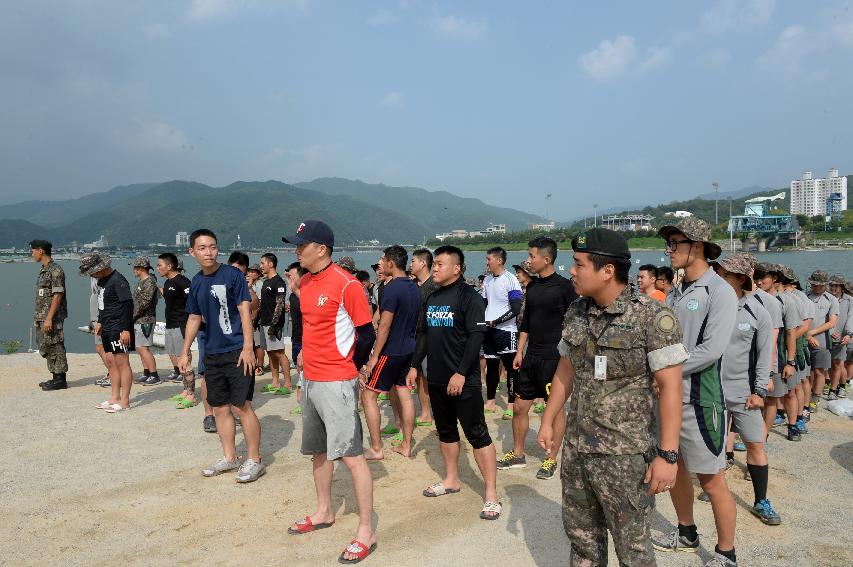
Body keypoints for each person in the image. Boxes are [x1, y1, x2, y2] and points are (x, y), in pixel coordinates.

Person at [538, 227, 687, 566]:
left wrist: (668, 454)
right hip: (578, 452)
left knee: (632, 550)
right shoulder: (577, 311)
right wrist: (548, 420)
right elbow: (565, 369)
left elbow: (671, 389)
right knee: (582, 543)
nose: (571, 271)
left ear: (607, 271)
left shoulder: (652, 317)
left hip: (624, 457)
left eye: (578, 264)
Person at [282, 220, 377, 565]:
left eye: (301, 245)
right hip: (310, 380)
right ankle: (324, 511)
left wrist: (351, 367)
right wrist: (303, 361)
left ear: (320, 249)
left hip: (337, 381)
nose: (296, 250)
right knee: (318, 452)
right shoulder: (306, 282)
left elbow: (366, 334)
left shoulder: (346, 284)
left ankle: (366, 530)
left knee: (351, 455)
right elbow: (311, 325)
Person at [653, 217, 739, 567]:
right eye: (669, 244)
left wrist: (662, 370)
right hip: (668, 396)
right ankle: (687, 531)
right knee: (675, 466)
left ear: (698, 247)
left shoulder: (718, 291)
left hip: (699, 400)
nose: (669, 250)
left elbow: (711, 350)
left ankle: (726, 553)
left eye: (676, 243)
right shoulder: (677, 289)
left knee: (712, 479)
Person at [407, 245, 501, 521]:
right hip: (436, 378)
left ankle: (491, 494)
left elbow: (475, 339)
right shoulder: (432, 297)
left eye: (439, 264)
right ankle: (451, 479)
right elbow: (423, 335)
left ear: (456, 268)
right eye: (433, 264)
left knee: (477, 434)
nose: (434, 268)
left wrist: (461, 373)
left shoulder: (469, 297)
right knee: (446, 431)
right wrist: (414, 366)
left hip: (464, 380)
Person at [179, 230, 265, 483]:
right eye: (202, 248)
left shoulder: (232, 275)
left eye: (213, 247)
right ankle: (230, 457)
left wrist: (248, 347)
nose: (209, 252)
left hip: (238, 350)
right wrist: (185, 351)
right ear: (192, 252)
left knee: (243, 407)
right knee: (219, 408)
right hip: (212, 352)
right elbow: (194, 318)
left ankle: (254, 460)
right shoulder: (195, 282)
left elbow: (245, 311)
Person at [712, 254, 780, 525]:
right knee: (715, 444)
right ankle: (716, 489)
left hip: (743, 392)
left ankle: (761, 500)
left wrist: (759, 391)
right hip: (712, 390)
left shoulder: (758, 312)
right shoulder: (712, 307)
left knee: (755, 444)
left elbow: (765, 355)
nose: (719, 279)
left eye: (725, 275)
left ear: (740, 279)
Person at [504, 236, 578, 480]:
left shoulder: (565, 287)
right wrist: (519, 351)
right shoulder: (532, 286)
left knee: (554, 409)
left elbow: (575, 322)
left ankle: (551, 458)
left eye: (532, 255)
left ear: (546, 259)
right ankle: (517, 453)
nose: (528, 260)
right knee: (519, 406)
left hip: (554, 358)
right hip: (531, 356)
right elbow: (526, 321)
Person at [362, 245, 421, 459]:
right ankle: (406, 445)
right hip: (408, 348)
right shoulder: (414, 287)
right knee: (404, 394)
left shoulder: (391, 288)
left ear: (391, 263)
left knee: (368, 395)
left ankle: (377, 448)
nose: (380, 263)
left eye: (382, 259)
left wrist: (374, 356)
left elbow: (384, 325)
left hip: (391, 350)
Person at [81, 251, 135, 413]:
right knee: (110, 362)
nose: (91, 274)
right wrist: (100, 322)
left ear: (100, 268)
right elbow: (103, 305)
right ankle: (114, 397)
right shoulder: (102, 281)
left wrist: (126, 329)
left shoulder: (118, 280)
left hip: (119, 327)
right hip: (107, 326)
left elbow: (128, 305)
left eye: (92, 271)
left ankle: (125, 401)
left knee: (122, 363)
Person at [481, 247, 523, 418]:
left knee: (511, 369)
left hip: (506, 330)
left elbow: (515, 309)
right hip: (488, 330)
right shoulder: (488, 280)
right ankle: (490, 400)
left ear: (499, 260)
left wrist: (496, 321)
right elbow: (483, 304)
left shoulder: (511, 279)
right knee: (491, 367)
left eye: (489, 259)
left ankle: (512, 404)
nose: (486, 262)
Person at [158, 253, 196, 408]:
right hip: (170, 324)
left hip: (182, 325)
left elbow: (193, 301)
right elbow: (168, 295)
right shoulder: (168, 282)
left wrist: (189, 325)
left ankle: (192, 395)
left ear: (169, 266)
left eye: (160, 265)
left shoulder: (183, 282)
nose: (158, 268)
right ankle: (186, 390)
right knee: (175, 358)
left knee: (185, 360)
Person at [31, 240, 69, 391]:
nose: (32, 253)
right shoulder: (44, 269)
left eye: (33, 250)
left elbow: (58, 295)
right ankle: (54, 376)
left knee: (55, 344)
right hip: (42, 316)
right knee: (46, 345)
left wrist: (49, 318)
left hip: (52, 317)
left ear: (41, 251)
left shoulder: (56, 270)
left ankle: (61, 379)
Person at [410, 248, 437, 427]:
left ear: (423, 263)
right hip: (416, 337)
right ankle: (426, 412)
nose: (411, 264)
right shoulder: (414, 286)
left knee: (430, 376)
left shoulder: (433, 286)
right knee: (419, 375)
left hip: (431, 338)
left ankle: (435, 412)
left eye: (413, 261)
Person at [258, 253, 292, 394]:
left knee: (280, 353)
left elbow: (280, 304)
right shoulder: (266, 282)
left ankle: (288, 384)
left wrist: (274, 324)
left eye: (262, 263)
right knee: (270, 353)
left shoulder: (278, 282)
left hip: (274, 324)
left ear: (270, 264)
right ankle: (275, 382)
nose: (260, 266)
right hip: (264, 322)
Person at [805, 270, 839, 411]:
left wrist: (812, 333)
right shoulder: (805, 297)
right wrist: (807, 335)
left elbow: (831, 323)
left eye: (819, 285)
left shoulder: (831, 299)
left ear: (825, 285)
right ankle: (806, 398)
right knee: (807, 373)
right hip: (804, 339)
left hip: (822, 341)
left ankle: (815, 399)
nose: (815, 287)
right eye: (813, 284)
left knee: (819, 371)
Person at [130, 257, 161, 385]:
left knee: (144, 348)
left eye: (135, 268)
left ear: (141, 268)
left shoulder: (149, 282)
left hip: (145, 320)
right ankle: (146, 372)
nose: (133, 270)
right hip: (138, 320)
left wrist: (131, 317)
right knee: (139, 347)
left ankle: (154, 375)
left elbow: (145, 304)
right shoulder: (139, 283)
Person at [285, 261, 306, 415]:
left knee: (305, 372)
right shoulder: (293, 295)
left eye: (292, 276)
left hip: (305, 341)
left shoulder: (306, 294)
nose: (289, 279)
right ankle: (303, 402)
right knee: (300, 371)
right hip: (296, 338)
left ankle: (303, 402)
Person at [828, 274, 852, 399]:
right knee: (830, 364)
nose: (833, 288)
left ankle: (836, 388)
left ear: (842, 287)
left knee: (838, 363)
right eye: (832, 285)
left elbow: (851, 318)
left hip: (842, 336)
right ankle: (838, 385)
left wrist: (848, 334)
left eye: (836, 286)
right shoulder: (826, 297)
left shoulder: (849, 300)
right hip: (827, 335)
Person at [90, 276, 112, 387]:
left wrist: (100, 320)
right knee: (101, 348)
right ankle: (111, 374)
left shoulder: (103, 280)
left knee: (102, 348)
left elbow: (105, 301)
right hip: (96, 319)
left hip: (102, 320)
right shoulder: (94, 279)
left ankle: (113, 375)